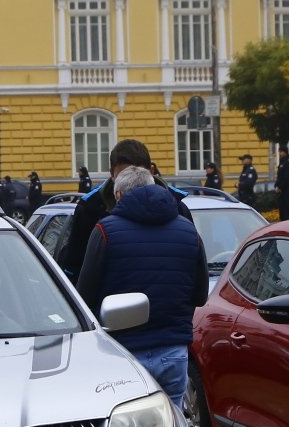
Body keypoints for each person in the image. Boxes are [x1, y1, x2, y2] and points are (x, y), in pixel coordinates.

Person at [75, 165, 207, 406]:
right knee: (174, 425)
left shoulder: (105, 231)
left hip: (122, 350)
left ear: (118, 196)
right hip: (172, 348)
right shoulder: (188, 230)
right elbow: (200, 296)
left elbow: (84, 295)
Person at [55, 140, 193, 276]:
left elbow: (193, 263)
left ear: (151, 171)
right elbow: (75, 265)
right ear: (112, 174)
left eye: (137, 175)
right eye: (124, 176)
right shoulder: (90, 208)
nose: (130, 183)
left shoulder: (177, 206)